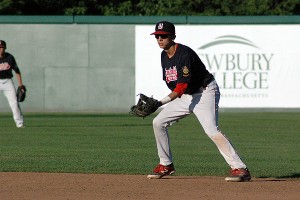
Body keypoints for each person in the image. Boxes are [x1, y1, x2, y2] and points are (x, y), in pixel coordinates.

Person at [147, 21, 251, 182]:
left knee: (211, 131)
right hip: (187, 95)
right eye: (157, 36)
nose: (160, 39)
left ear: (173, 36)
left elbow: (180, 87)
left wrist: (160, 103)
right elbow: (174, 84)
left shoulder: (184, 54)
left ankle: (240, 168)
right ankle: (166, 164)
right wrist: (162, 103)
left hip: (205, 92)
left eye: (164, 36)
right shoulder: (163, 56)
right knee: (158, 122)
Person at [0, 40, 25, 128]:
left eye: (2, 47)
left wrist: (20, 85)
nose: (0, 49)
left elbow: (17, 71)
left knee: (14, 103)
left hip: (7, 82)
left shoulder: (10, 57)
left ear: (5, 48)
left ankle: (20, 123)